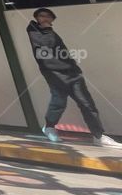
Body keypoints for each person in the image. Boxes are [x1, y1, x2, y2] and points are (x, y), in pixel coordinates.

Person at [28, 8, 122, 147]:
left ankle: (98, 135)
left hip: (71, 73)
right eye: (42, 16)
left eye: (48, 16)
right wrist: (48, 30)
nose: (45, 19)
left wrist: (74, 68)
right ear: (37, 18)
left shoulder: (49, 32)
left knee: (87, 104)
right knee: (59, 102)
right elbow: (47, 47)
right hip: (54, 74)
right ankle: (49, 127)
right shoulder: (34, 31)